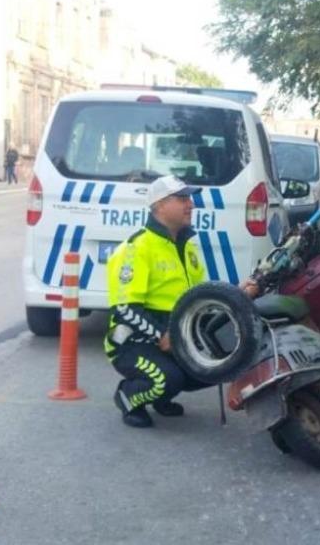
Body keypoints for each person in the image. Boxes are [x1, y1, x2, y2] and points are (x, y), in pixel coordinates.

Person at [105, 175, 259, 428]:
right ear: (159, 205)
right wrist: (160, 335)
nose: (191, 205)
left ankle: (163, 394)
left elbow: (199, 297)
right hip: (134, 341)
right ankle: (129, 397)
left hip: (177, 333)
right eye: (182, 198)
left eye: (190, 198)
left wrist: (237, 292)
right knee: (164, 378)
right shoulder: (136, 248)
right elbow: (124, 309)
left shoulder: (187, 247)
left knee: (215, 369)